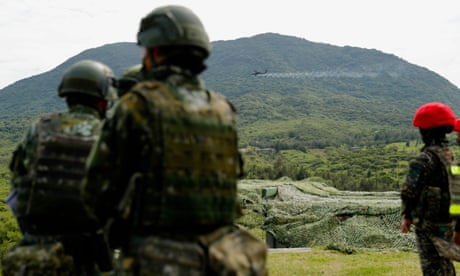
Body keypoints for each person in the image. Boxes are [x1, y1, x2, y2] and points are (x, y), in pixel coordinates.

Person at [82, 5, 267, 275]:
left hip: (160, 258)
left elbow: (97, 191)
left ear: (155, 52)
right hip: (227, 257)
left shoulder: (138, 104)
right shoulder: (222, 109)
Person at [3, 60, 117, 275]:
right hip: (86, 257)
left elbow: (18, 184)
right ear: (103, 101)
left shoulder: (40, 129)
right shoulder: (111, 136)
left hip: (34, 257)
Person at [400, 102, 460, 275]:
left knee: (432, 266)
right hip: (447, 222)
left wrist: (407, 216)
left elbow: (409, 191)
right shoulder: (448, 156)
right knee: (445, 264)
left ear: (425, 131)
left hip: (428, 223)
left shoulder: (424, 160)